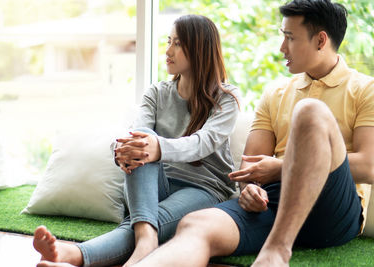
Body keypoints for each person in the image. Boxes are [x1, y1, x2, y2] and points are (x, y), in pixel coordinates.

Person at [129, 1, 374, 266]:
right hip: (272, 204)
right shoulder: (276, 92)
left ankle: (277, 251)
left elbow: (369, 165)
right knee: (195, 223)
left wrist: (282, 167)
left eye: (290, 38)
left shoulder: (364, 89)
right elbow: (250, 165)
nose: (282, 47)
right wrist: (249, 190)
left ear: (320, 40)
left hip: (331, 207)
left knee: (310, 112)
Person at [32, 14, 241, 267]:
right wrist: (121, 148)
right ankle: (143, 243)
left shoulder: (226, 98)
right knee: (143, 141)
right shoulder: (156, 93)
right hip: (154, 185)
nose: (168, 50)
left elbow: (203, 143)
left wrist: (157, 148)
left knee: (148, 219)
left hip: (205, 189)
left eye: (177, 43)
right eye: (168, 41)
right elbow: (135, 136)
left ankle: (72, 255)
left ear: (199, 49)